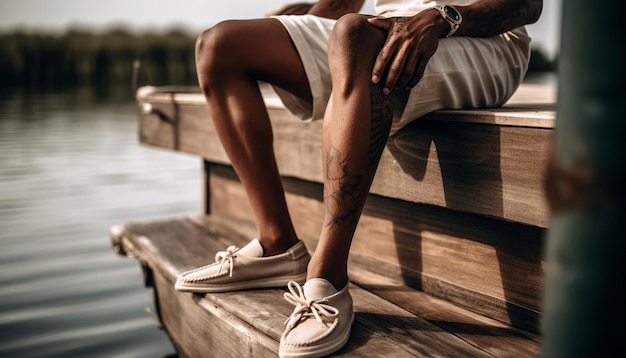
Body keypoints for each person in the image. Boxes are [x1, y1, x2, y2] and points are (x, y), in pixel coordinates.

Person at [174, 0, 543, 357]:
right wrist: (303, 22)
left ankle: (327, 277)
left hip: (483, 39)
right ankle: (277, 244)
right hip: (385, 27)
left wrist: (441, 17)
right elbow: (343, 4)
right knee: (220, 45)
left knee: (354, 35)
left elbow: (527, 4)